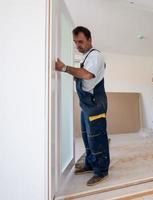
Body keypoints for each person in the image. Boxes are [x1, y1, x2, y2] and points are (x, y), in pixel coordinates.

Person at [55, 26, 110, 186]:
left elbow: (87, 74)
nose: (78, 45)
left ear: (89, 40)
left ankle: (101, 171)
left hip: (95, 104)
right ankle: (90, 164)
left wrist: (65, 68)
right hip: (86, 104)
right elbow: (84, 78)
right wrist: (76, 77)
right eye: (75, 42)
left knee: (97, 138)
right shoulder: (85, 57)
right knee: (87, 137)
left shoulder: (96, 56)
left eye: (81, 41)